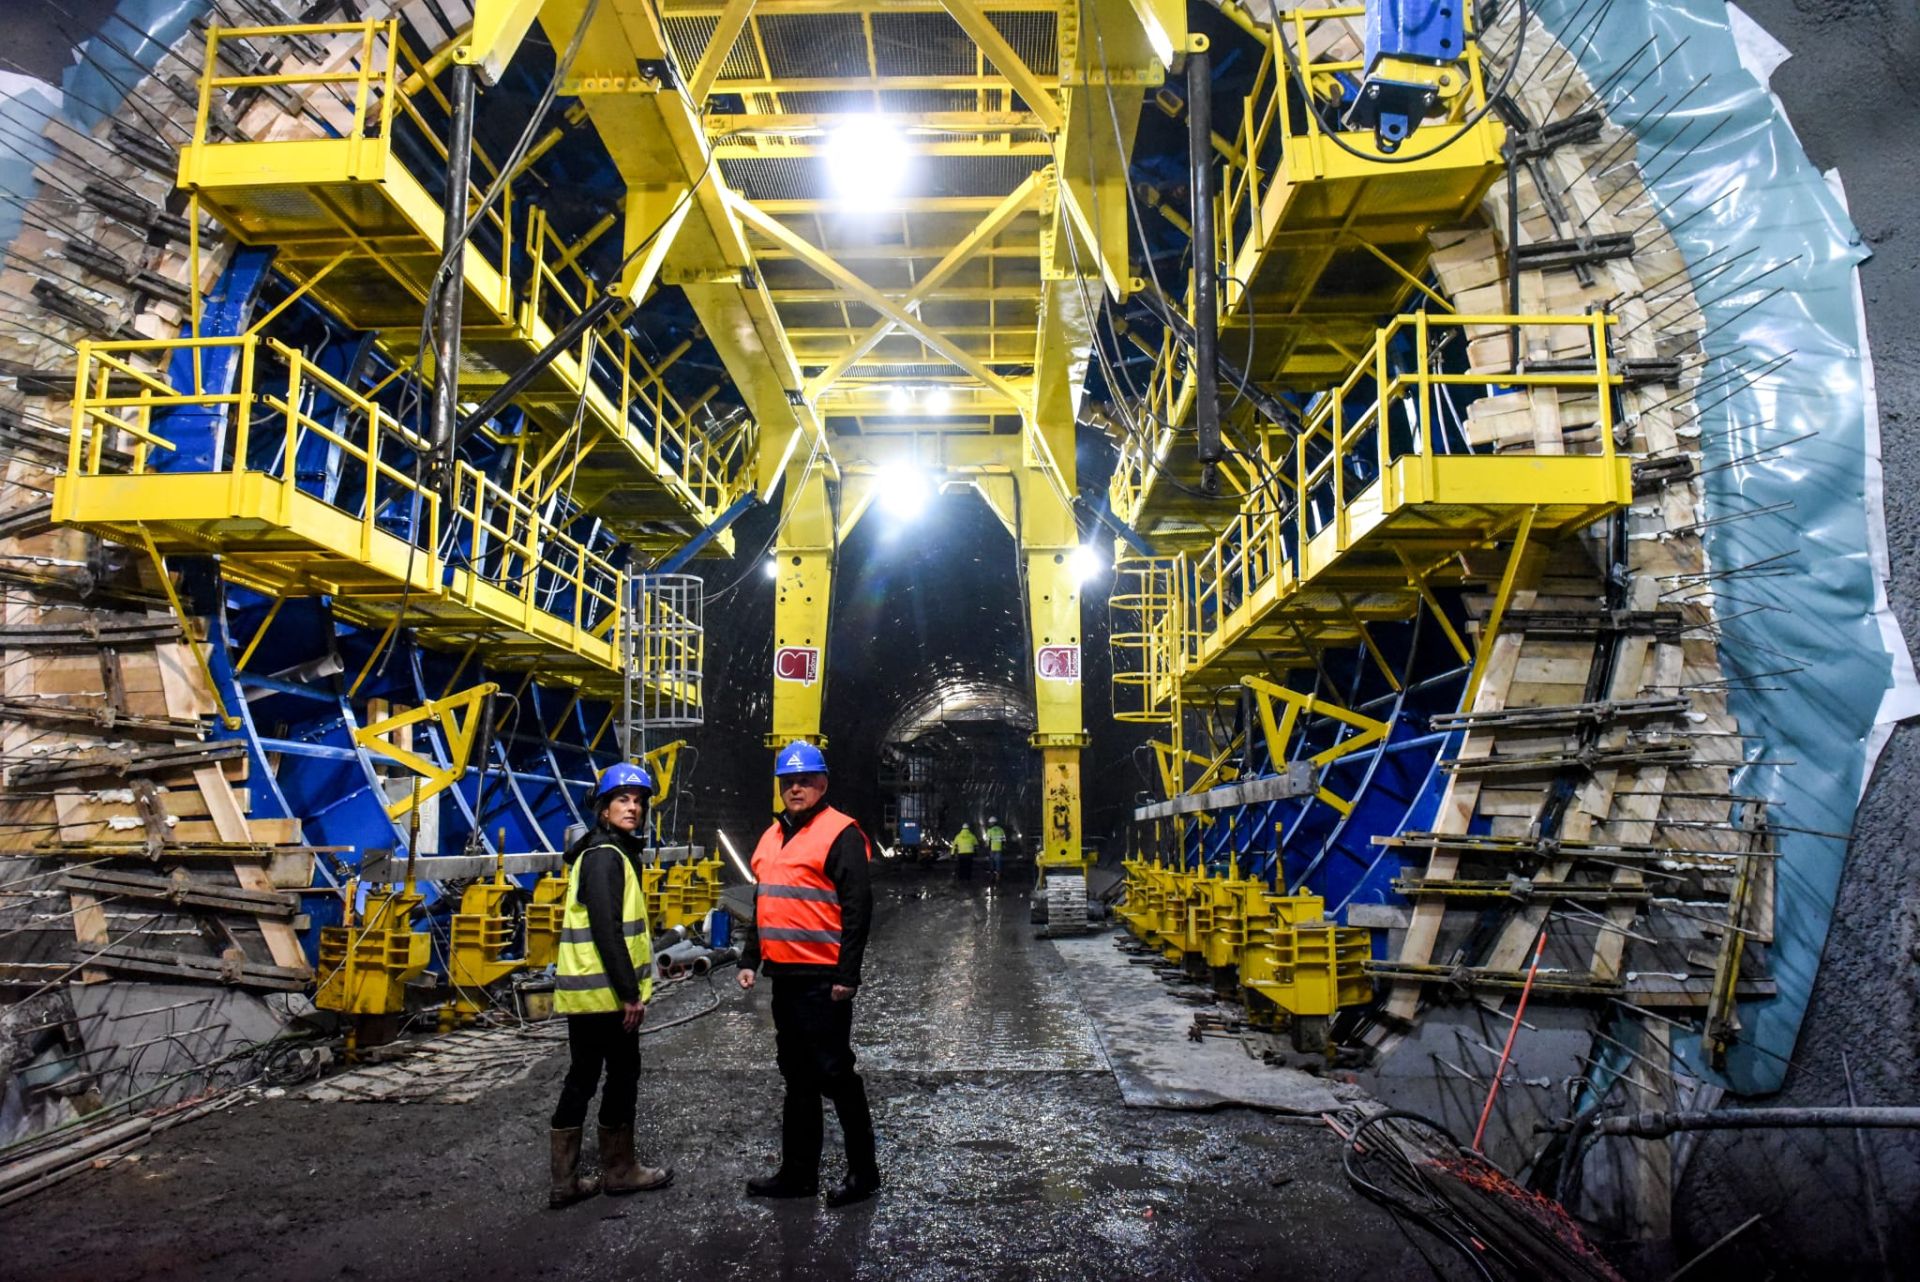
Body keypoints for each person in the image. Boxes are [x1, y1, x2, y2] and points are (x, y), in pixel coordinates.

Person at [737, 741, 879, 1208]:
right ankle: (798, 1174)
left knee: (836, 1073)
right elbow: (764, 902)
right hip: (787, 978)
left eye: (804, 780)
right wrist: (748, 958)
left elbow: (858, 909)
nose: (795, 788)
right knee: (796, 1077)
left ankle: (864, 1174)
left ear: (823, 784)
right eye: (788, 782)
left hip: (823, 980)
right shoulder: (771, 836)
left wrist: (848, 975)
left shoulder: (841, 834)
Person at [547, 762, 674, 1208]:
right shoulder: (606, 857)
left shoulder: (603, 852)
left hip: (590, 993)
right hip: (606, 995)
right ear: (603, 808)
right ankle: (619, 1170)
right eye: (623, 799)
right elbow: (606, 929)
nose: (633, 807)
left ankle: (566, 1181)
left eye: (638, 801)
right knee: (620, 1075)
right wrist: (628, 993)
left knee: (582, 1077)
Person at [983, 817, 1007, 882]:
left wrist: (986, 846)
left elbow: (988, 841)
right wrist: (1004, 845)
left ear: (992, 823)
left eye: (990, 823)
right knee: (998, 863)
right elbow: (1004, 839)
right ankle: (998, 877)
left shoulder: (990, 830)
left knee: (992, 863)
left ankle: (991, 877)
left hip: (992, 849)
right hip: (999, 848)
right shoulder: (1001, 830)